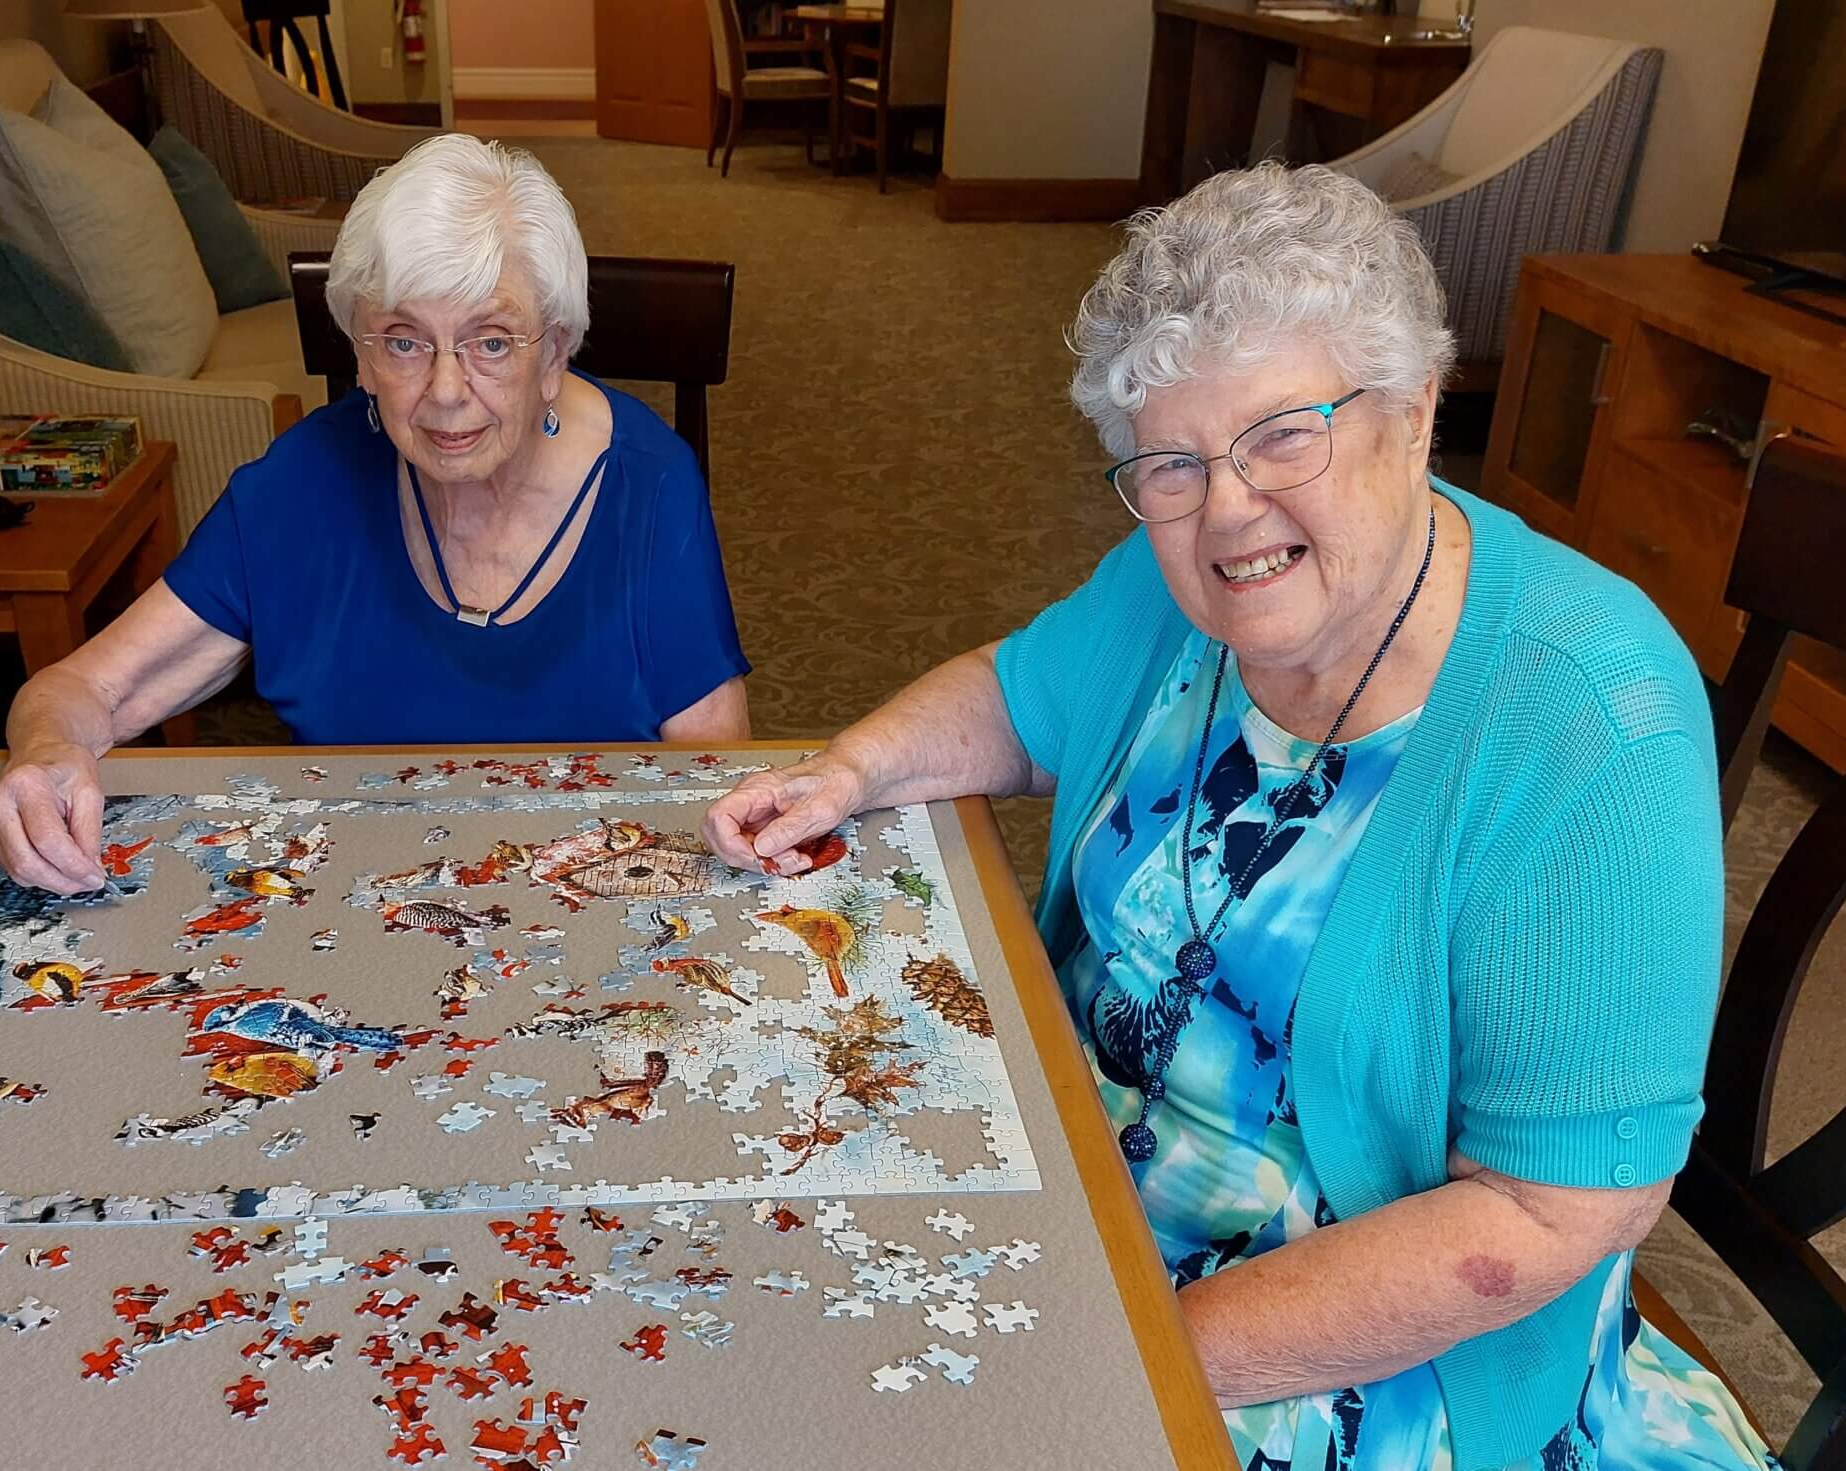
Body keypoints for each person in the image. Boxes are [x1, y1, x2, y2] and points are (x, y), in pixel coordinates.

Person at [703, 163, 1772, 1471]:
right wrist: (855, 767)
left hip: (1355, 1351)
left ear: (1416, 411)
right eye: (1172, 460)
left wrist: (1133, 1349)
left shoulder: (1589, 720)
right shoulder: (1172, 593)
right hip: (1069, 1192)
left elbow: (1554, 1212)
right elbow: (1019, 694)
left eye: (1283, 434)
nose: (1226, 509)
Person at [0, 134, 751, 895]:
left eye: (489, 341)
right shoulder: (305, 483)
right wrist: (45, 752)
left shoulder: (649, 491)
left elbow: (710, 787)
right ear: (359, 353)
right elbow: (81, 690)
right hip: (349, 909)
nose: (446, 391)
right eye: (405, 342)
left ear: (553, 354)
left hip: (585, 904)